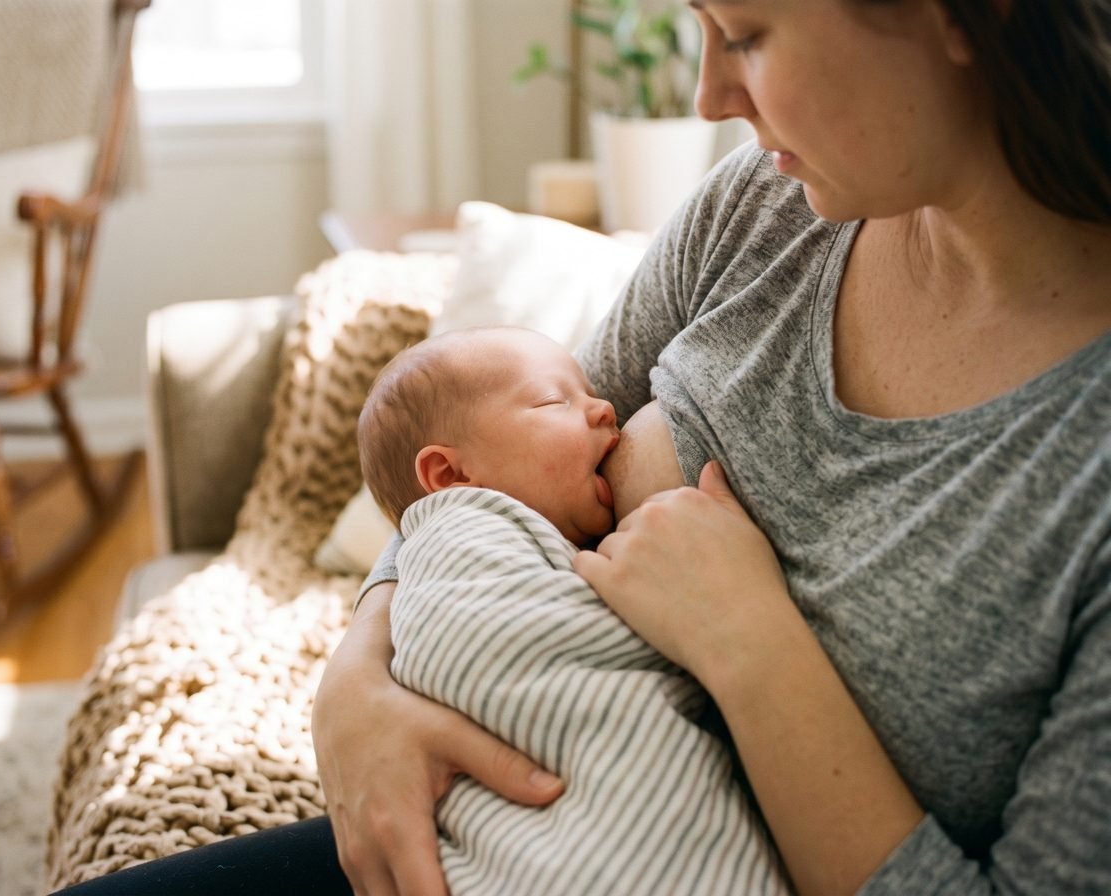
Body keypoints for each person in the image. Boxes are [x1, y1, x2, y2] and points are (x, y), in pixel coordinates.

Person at [54, 1, 1111, 892]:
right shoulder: (766, 211)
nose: (709, 96)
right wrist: (357, 683)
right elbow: (474, 465)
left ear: (963, 17)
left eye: (747, 34)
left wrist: (752, 644)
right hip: (500, 839)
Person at [355, 324, 791, 895]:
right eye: (552, 401)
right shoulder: (460, 537)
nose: (606, 408)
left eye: (590, 393)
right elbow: (504, 648)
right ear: (451, 476)